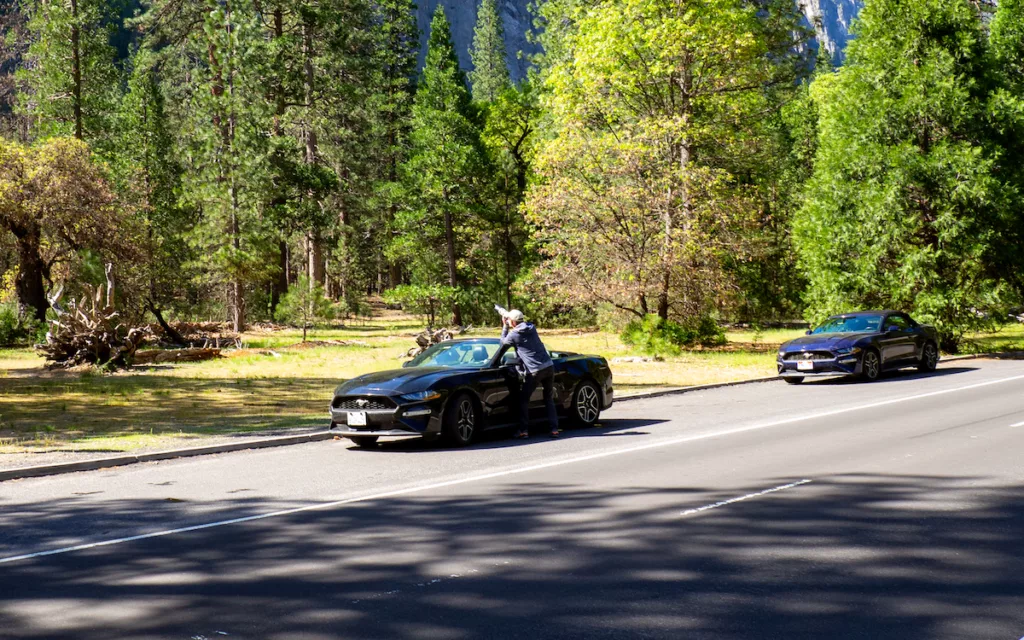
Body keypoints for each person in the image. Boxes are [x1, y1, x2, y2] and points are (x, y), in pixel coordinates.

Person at [500, 309, 561, 438]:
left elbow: (503, 343)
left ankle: (523, 430)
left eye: (510, 321)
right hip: (549, 366)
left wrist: (505, 326)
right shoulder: (532, 327)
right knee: (548, 398)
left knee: (523, 400)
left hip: (535, 370)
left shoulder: (514, 334)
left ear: (513, 322)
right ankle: (554, 429)